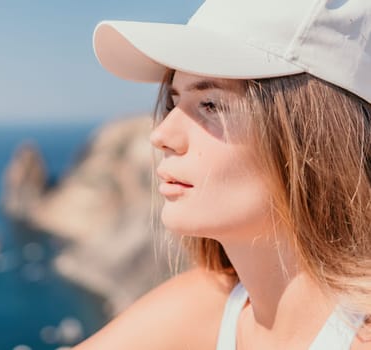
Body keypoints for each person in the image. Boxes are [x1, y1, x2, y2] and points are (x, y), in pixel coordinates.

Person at [75, 0, 371, 349]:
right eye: (173, 103)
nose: (162, 135)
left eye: (211, 104)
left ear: (314, 138)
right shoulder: (207, 305)